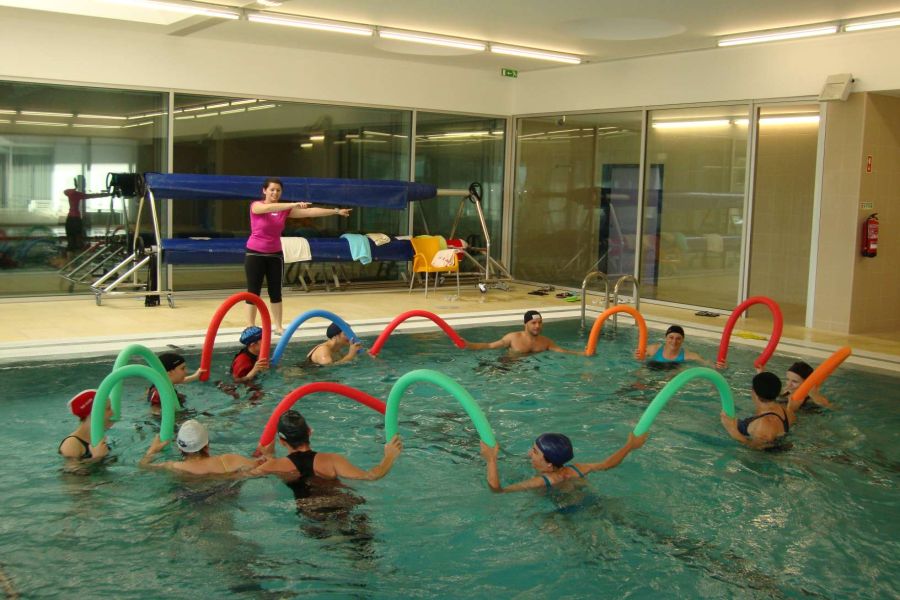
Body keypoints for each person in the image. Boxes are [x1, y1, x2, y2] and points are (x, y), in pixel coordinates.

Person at [245, 177, 352, 335]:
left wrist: (336, 211)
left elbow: (310, 212)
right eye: (272, 189)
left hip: (275, 254)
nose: (275, 192)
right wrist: (292, 204)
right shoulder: (256, 205)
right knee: (253, 291)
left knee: (276, 292)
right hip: (255, 253)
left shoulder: (284, 210)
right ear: (264, 190)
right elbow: (268, 208)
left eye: (278, 190)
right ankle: (250, 326)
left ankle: (278, 326)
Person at [255, 410, 403, 484]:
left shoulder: (273, 466)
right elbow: (371, 476)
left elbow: (242, 475)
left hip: (312, 517)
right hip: (344, 508)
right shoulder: (332, 460)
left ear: (281, 441)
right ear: (309, 432)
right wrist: (389, 456)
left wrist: (268, 457)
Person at [479, 431, 647, 493]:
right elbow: (608, 464)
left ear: (549, 464)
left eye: (535, 451)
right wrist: (630, 446)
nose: (529, 453)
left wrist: (491, 460)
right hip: (593, 502)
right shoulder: (577, 469)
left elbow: (498, 490)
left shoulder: (543, 481)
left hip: (567, 514)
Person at [139, 420, 262, 475]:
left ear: (180, 448)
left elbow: (143, 466)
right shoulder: (227, 461)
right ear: (207, 444)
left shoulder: (173, 466)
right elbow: (259, 465)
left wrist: (152, 451)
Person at [720, 372, 791, 450]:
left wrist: (732, 430)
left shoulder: (764, 424)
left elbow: (757, 449)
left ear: (754, 392)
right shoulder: (786, 411)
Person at [463, 310, 583, 355]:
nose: (537, 326)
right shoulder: (513, 338)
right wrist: (468, 345)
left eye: (540, 322)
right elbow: (490, 346)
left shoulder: (545, 342)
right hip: (508, 366)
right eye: (533, 323)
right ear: (525, 324)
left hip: (532, 369)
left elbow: (563, 351)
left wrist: (583, 353)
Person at [58, 390, 113, 460]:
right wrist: (97, 457)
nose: (112, 413)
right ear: (93, 413)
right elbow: (71, 467)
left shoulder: (99, 436)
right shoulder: (72, 444)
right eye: (108, 409)